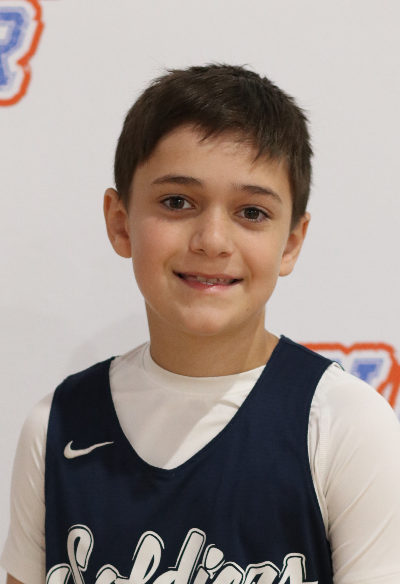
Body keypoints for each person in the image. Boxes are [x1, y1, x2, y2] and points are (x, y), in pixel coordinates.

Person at [2, 64, 400, 584]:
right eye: (177, 202)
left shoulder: (345, 426)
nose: (212, 240)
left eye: (252, 212)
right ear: (120, 222)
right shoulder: (57, 426)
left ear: (291, 242)